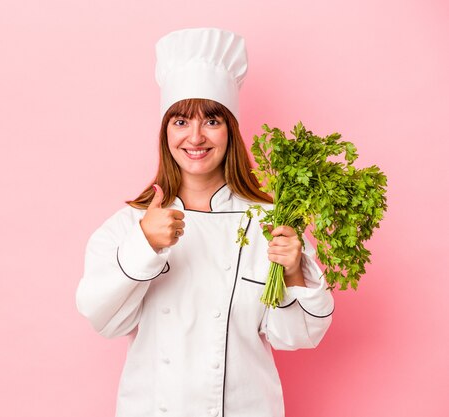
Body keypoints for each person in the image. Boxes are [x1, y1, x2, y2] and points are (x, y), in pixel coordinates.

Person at [75, 27, 334, 417]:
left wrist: (296, 271)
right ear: (165, 133)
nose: (195, 137)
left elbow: (296, 337)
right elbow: (102, 319)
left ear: (231, 131)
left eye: (212, 121)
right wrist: (144, 244)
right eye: (180, 122)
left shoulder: (269, 223)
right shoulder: (130, 224)